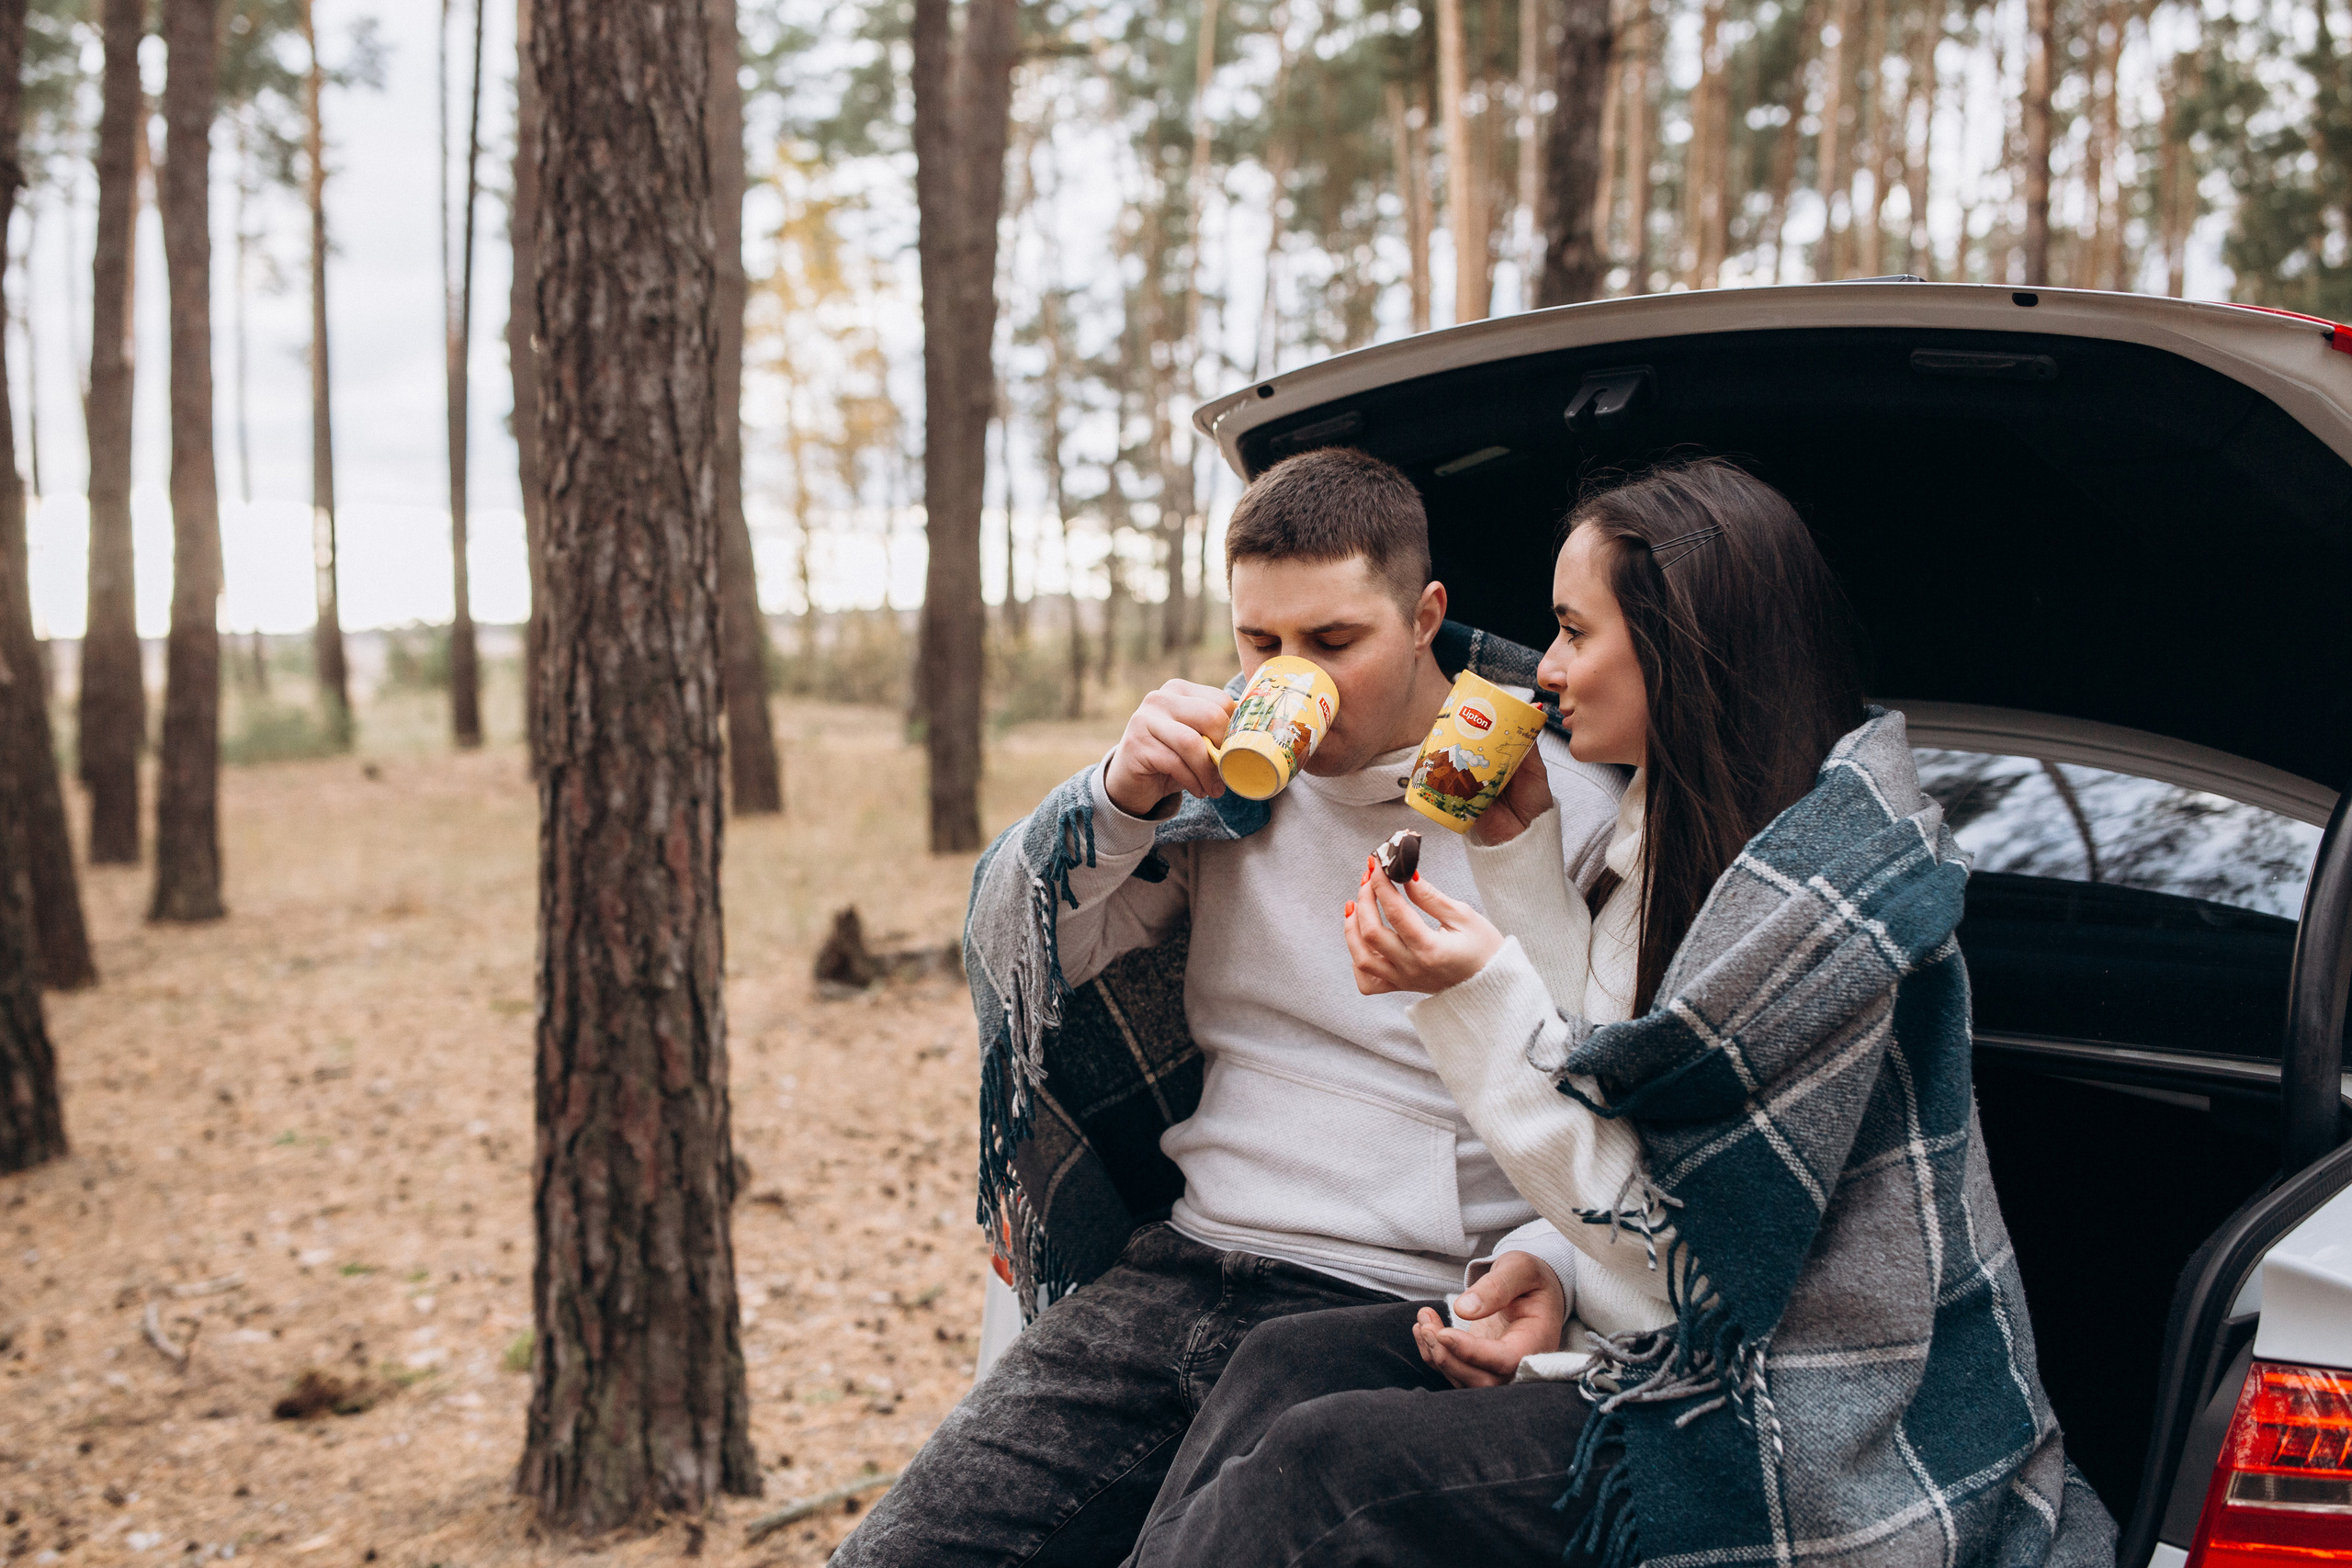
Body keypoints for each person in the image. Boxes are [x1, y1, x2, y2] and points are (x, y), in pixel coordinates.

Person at [1125, 457, 2118, 1568]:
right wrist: (1516, 862)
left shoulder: (1813, 913)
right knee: (1282, 1367)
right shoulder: (1655, 829)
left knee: (1334, 1466)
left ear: (1683, 647)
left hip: (1793, 1411)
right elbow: (1604, 1080)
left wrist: (1466, 993)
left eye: (1572, 632)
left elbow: (1675, 1236)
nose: (1541, 671)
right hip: (1647, 1323)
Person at [831, 446, 1658, 1567]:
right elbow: (1035, 960)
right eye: (1257, 642)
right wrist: (1115, 802)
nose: (1288, 673)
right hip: (1178, 1268)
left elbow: (1606, 1092)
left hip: (1391, 1309)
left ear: (1426, 615)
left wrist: (1542, 1269)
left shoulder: (1556, 802)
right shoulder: (1212, 788)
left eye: (1330, 643)